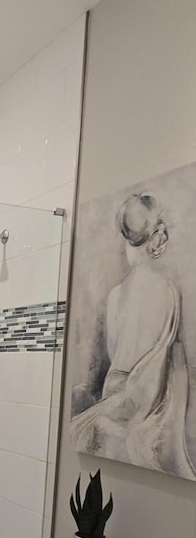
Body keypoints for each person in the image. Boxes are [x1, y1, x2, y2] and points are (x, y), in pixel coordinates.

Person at [70, 192, 196, 479]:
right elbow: (173, 365)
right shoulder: (167, 289)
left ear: (125, 238)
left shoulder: (115, 296)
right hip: (148, 400)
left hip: (116, 391)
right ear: (155, 238)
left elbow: (115, 354)